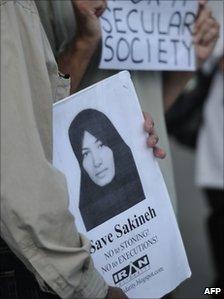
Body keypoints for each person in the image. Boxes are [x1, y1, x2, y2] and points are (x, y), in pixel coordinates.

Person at [1, 1, 165, 298]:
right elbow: (20, 159)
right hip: (43, 260)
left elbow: (33, 117)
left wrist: (128, 126)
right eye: (85, 153)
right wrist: (92, 290)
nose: (97, 160)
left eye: (103, 144)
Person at [36, 0, 220, 216]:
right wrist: (84, 43)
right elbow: (35, 118)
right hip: (78, 217)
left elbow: (152, 108)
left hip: (155, 200)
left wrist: (192, 60)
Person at [69, 109, 145, 231]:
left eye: (100, 145)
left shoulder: (146, 188)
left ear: (115, 146)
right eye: (85, 154)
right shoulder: (81, 221)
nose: (96, 161)